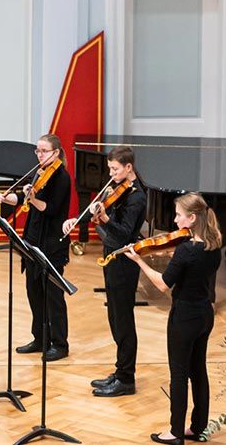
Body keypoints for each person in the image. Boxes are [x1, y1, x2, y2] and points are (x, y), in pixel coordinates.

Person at [126, 193, 222, 444]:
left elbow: (163, 285)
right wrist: (169, 256)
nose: (175, 219)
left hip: (184, 318)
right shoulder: (213, 243)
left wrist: (140, 261)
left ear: (192, 218)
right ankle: (198, 427)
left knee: (178, 374)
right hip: (204, 315)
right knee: (198, 372)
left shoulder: (186, 251)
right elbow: (191, 266)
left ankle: (175, 432)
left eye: (179, 215)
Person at [63, 146, 145, 397]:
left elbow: (125, 232)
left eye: (115, 169)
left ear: (128, 168)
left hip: (124, 260)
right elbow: (101, 212)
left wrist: (107, 219)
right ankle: (120, 371)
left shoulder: (136, 197)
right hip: (111, 256)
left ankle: (126, 379)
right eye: (110, 168)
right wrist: (77, 219)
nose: (111, 173)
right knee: (114, 317)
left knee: (123, 320)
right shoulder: (119, 190)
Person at [0, 133, 72, 361]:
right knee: (34, 293)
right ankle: (40, 339)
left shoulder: (62, 178)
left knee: (53, 298)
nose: (39, 155)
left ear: (56, 152)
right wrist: (7, 199)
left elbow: (50, 208)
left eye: (44, 151)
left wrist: (32, 197)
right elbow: (23, 198)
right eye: (37, 151)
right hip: (33, 241)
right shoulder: (40, 172)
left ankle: (60, 344)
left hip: (51, 243)